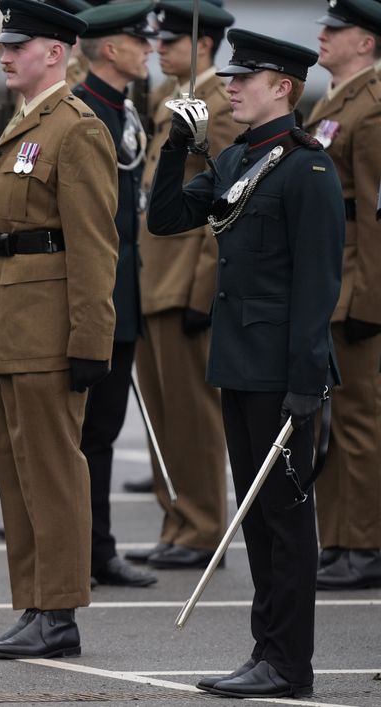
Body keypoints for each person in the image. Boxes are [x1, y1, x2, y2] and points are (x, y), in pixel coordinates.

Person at [148, 29, 343, 699]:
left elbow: (318, 286)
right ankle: (267, 652)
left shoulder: (308, 169)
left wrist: (307, 382)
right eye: (229, 77)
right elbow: (167, 217)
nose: (230, 86)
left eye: (245, 78)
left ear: (282, 87)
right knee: (257, 520)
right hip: (238, 364)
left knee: (285, 522)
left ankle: (289, 663)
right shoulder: (236, 160)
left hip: (283, 374)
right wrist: (177, 144)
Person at [0, 0, 117, 658]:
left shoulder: (76, 127)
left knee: (52, 474)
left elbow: (93, 247)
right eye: (5, 43)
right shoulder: (25, 123)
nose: (5, 53)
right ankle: (31, 603)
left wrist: (89, 340)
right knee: (16, 474)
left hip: (47, 331)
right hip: (2, 322)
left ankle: (58, 612)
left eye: (19, 45)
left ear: (55, 52)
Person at [127, 0, 238, 572]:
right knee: (164, 417)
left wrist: (203, 290)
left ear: (201, 45)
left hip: (183, 283)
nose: (158, 49)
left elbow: (225, 203)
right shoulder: (164, 98)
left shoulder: (217, 104)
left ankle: (200, 528)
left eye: (168, 42)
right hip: (153, 277)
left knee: (192, 417)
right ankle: (176, 521)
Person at [72, 0, 157, 589]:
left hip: (122, 293)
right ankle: (82, 547)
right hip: (93, 294)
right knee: (82, 434)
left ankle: (96, 546)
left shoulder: (124, 110)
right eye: (138, 39)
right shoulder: (86, 113)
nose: (149, 47)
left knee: (100, 432)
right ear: (109, 48)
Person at [305, 0, 381, 591]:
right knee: (329, 420)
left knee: (358, 420)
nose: (322, 35)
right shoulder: (334, 102)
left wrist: (371, 301)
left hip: (358, 284)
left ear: (367, 40)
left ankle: (363, 543)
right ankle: (336, 539)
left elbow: (377, 213)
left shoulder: (374, 107)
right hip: (332, 279)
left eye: (336, 28)